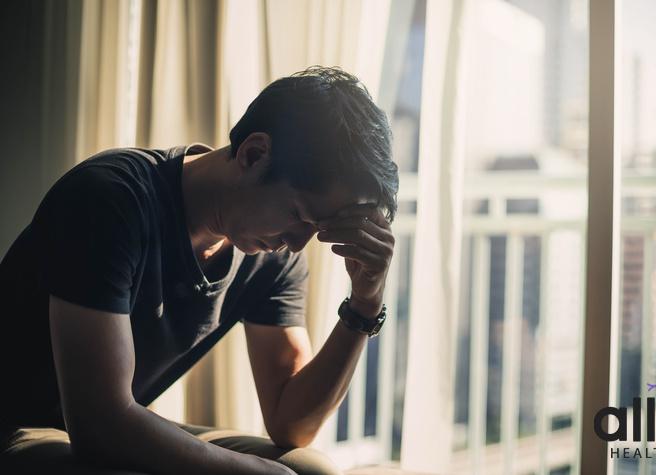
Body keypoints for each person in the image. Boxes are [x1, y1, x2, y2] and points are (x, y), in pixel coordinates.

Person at [0, 66, 398, 475]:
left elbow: (291, 424)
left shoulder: (275, 252)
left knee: (311, 468)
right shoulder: (109, 200)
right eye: (298, 215)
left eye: (316, 229)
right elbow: (98, 423)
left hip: (103, 424)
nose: (297, 243)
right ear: (253, 154)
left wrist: (365, 303)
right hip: (20, 426)